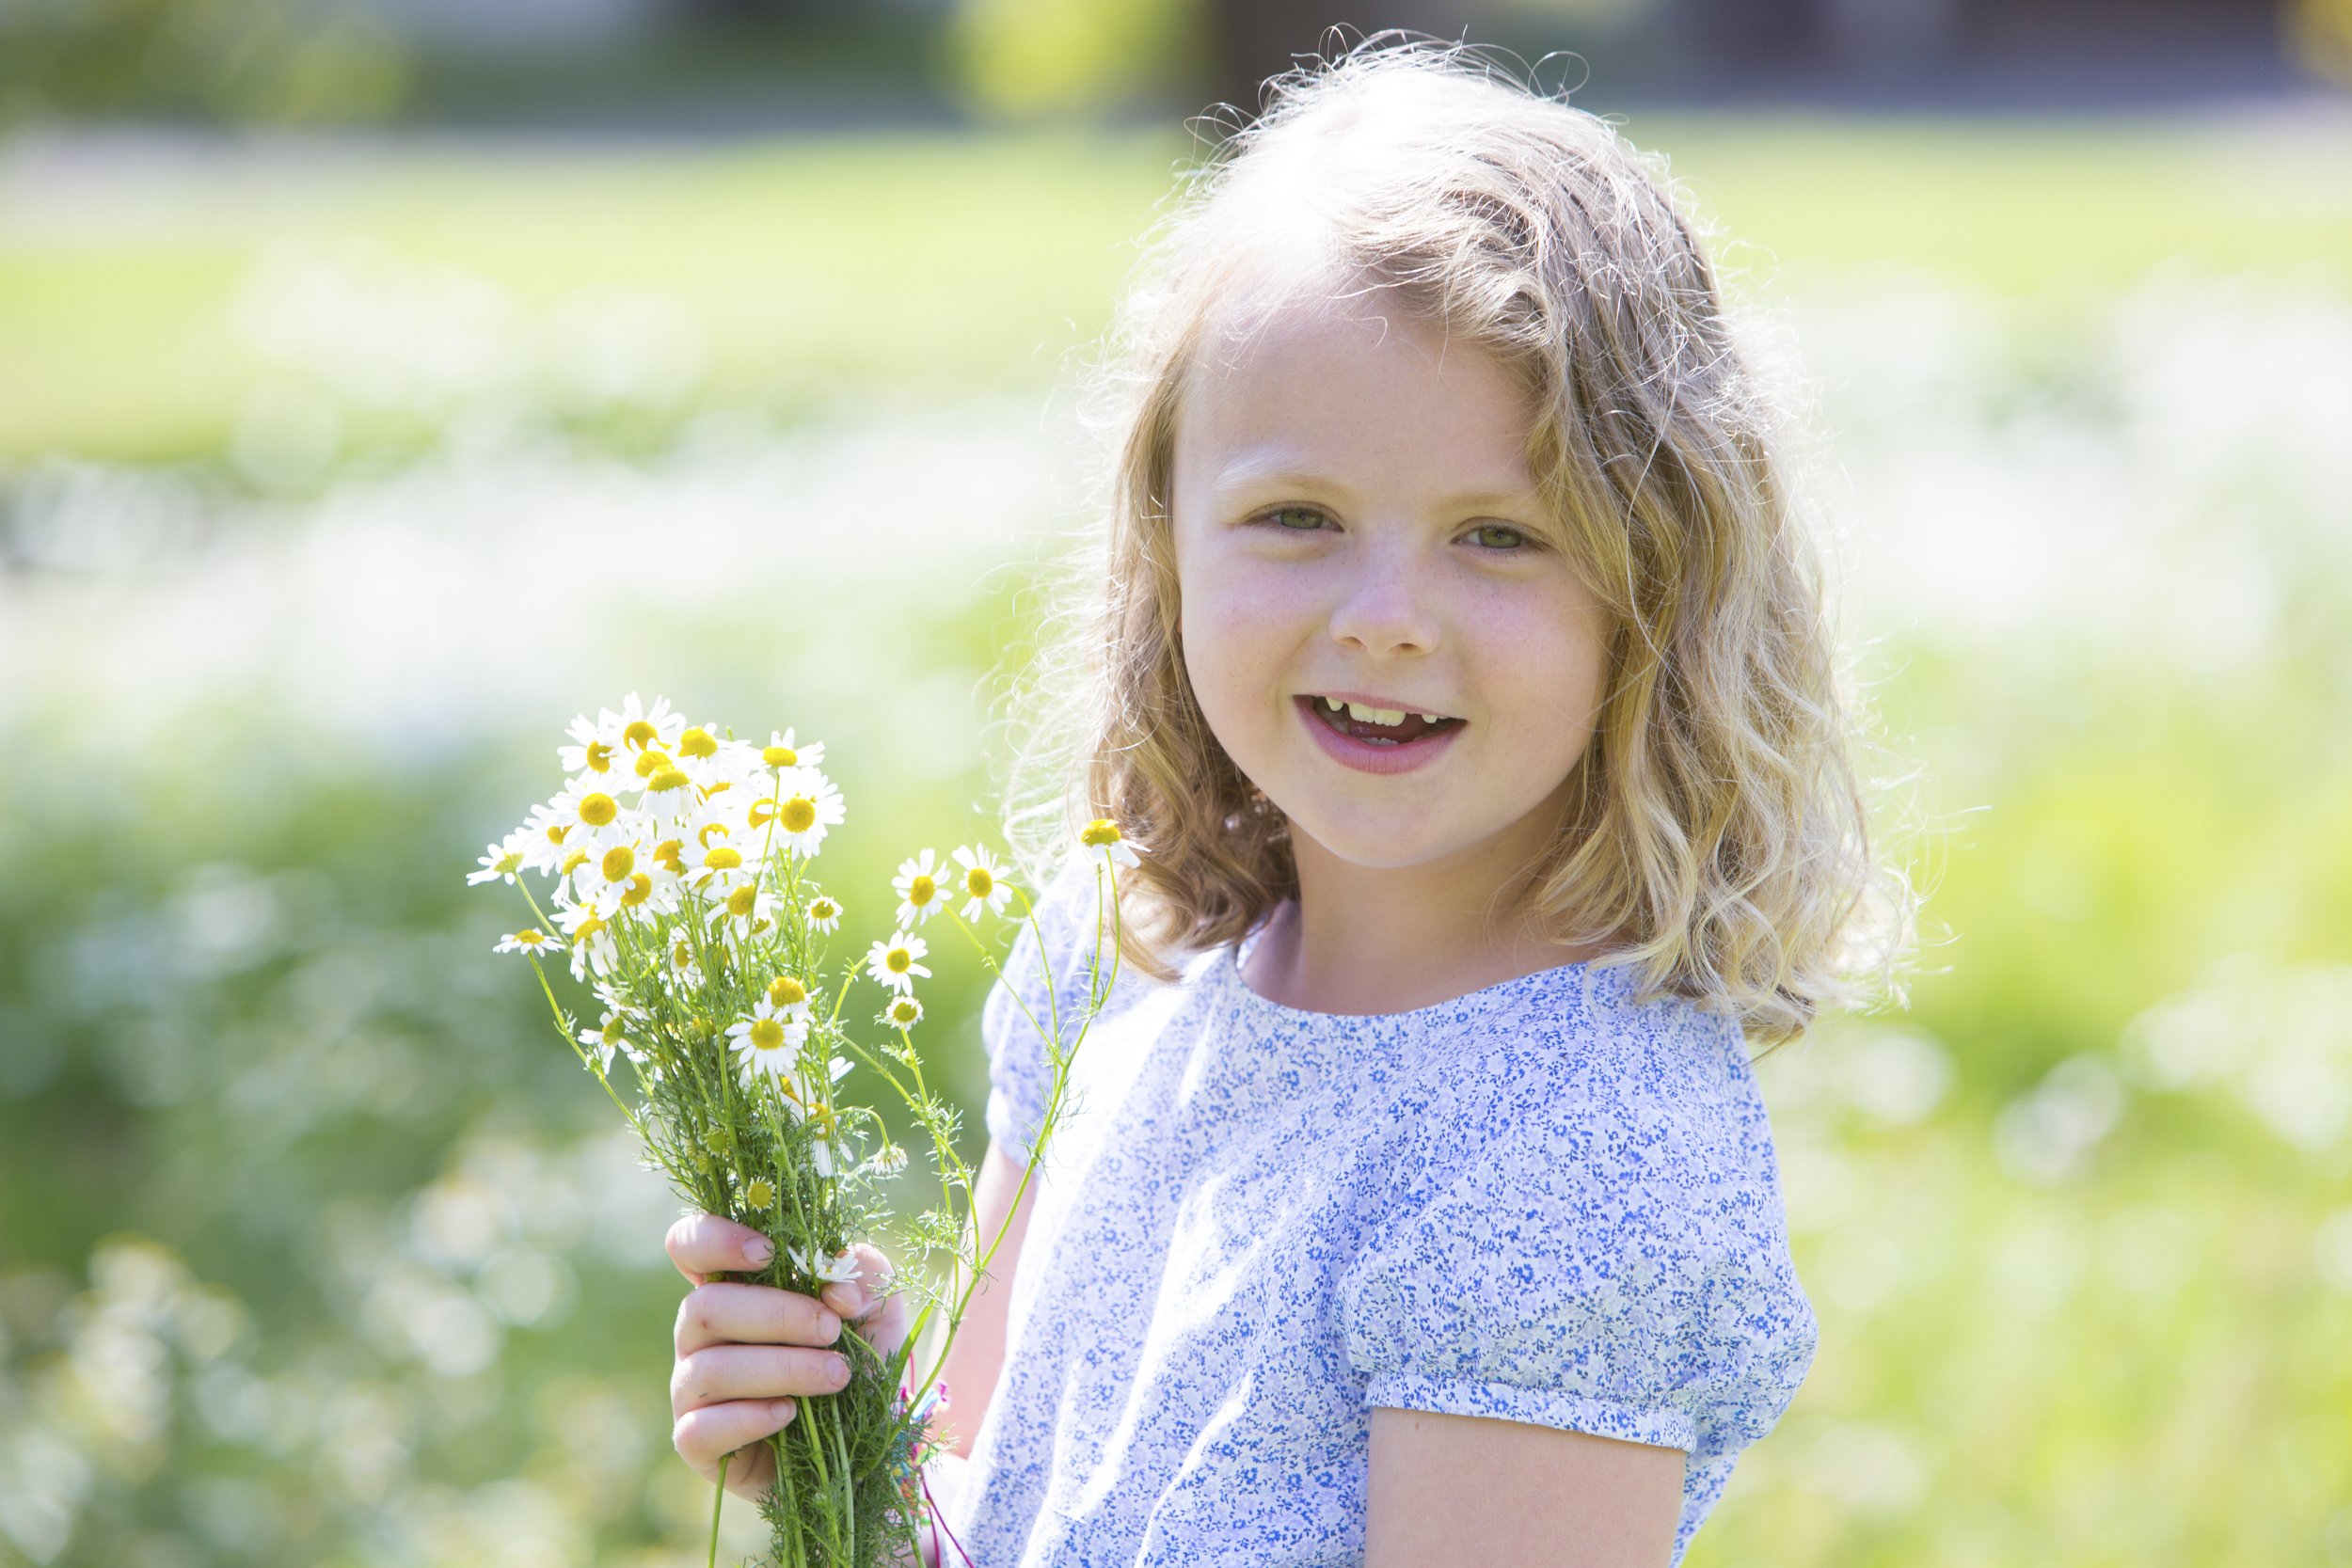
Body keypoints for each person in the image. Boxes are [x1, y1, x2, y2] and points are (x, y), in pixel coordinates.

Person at [665, 32, 1918, 1568]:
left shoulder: (1570, 1156)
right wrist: (843, 1460)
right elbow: (984, 1499)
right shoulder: (1119, 952)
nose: (1387, 614)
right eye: (1297, 517)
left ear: (1661, 583)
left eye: (1500, 537)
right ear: (1167, 537)